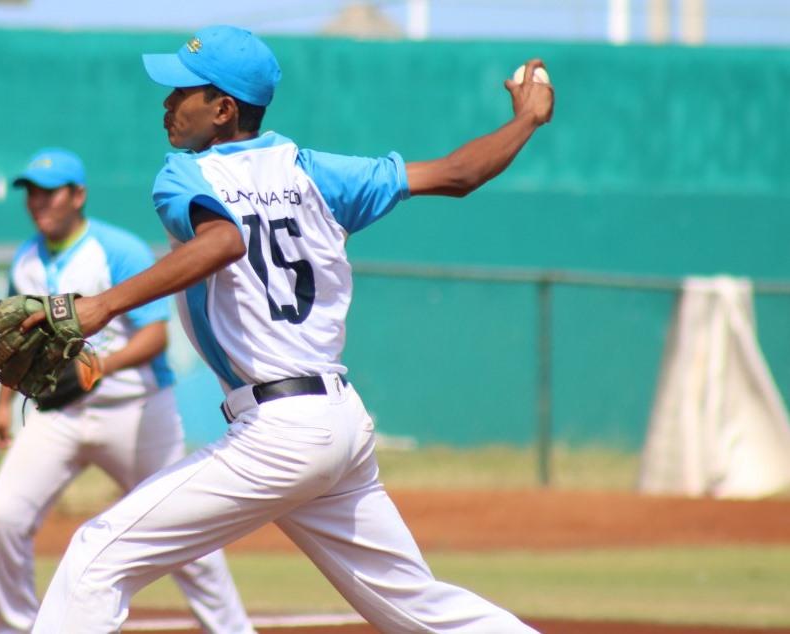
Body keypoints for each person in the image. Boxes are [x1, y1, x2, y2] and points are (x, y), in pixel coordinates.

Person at [28, 26, 555, 633]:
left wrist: (100, 308)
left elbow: (223, 241)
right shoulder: (319, 174)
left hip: (278, 432)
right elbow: (459, 173)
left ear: (223, 109)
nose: (168, 103)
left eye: (182, 91)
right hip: (339, 423)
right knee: (416, 604)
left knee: (96, 559)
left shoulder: (184, 175)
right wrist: (527, 121)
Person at [0, 147, 254, 634]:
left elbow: (155, 335)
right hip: (57, 416)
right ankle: (14, 627)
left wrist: (98, 367)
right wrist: (5, 403)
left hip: (137, 413)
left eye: (50, 192)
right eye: (31, 193)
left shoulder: (117, 249)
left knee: (186, 539)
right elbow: (17, 348)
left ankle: (233, 630)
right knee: (2, 517)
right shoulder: (25, 259)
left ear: (78, 195)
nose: (38, 202)